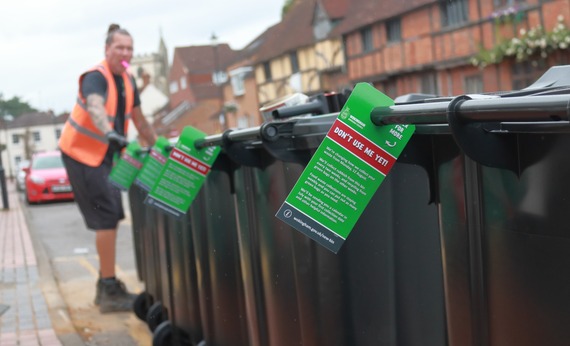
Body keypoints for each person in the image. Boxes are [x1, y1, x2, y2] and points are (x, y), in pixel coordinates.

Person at [58, 24, 157, 313]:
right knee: (107, 216)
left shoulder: (127, 81)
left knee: (113, 214)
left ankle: (107, 285)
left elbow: (140, 121)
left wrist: (164, 147)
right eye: (120, 48)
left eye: (129, 48)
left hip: (102, 156)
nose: (125, 53)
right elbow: (95, 107)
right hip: (80, 154)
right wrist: (108, 131)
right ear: (107, 50)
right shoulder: (95, 77)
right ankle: (109, 288)